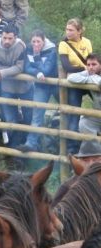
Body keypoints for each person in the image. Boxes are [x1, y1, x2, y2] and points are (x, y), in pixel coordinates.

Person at [0, 24, 32, 149]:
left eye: (10, 38)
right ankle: (14, 149)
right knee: (10, 119)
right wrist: (9, 70)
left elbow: (20, 66)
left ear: (15, 37)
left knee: (28, 117)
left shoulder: (21, 46)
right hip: (7, 88)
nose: (7, 41)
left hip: (25, 87)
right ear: (1, 36)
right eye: (4, 38)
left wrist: (2, 73)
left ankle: (27, 146)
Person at [16, 30, 58, 156]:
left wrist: (37, 56)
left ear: (44, 41)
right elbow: (26, 67)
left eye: (38, 41)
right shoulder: (28, 49)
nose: (35, 44)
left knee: (67, 111)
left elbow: (47, 69)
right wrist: (37, 73)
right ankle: (31, 144)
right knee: (37, 115)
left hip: (56, 85)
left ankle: (70, 145)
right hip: (41, 86)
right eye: (33, 41)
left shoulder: (52, 50)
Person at [59, 18, 93, 155]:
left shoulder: (87, 42)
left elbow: (91, 61)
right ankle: (72, 149)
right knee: (74, 114)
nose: (68, 32)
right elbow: (67, 66)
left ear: (79, 31)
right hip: (75, 83)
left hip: (89, 79)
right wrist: (84, 69)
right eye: (67, 29)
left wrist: (86, 68)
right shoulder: (63, 44)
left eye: (71, 30)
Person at [67, 54, 101, 157]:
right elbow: (70, 77)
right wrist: (89, 80)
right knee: (84, 122)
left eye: (94, 64)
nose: (91, 67)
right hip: (98, 113)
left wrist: (95, 79)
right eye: (88, 64)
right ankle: (94, 155)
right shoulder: (89, 73)